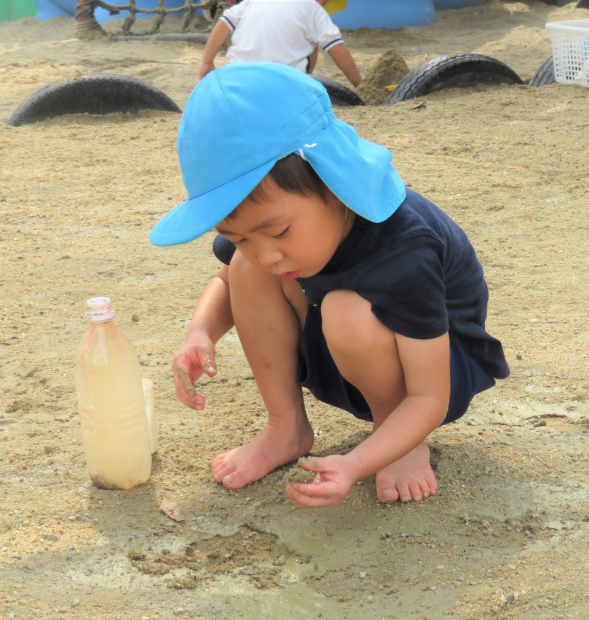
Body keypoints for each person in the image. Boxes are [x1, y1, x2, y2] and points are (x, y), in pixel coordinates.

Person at [150, 63, 508, 508]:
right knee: (244, 269)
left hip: (435, 371)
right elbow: (226, 280)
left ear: (334, 182)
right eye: (240, 236)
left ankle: (398, 438)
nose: (268, 253)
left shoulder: (404, 249)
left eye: (278, 233)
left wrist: (357, 463)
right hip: (346, 357)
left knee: (347, 309)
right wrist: (199, 333)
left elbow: (430, 396)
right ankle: (286, 427)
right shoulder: (265, 240)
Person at [199, 0, 362, 87]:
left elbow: (222, 24)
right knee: (313, 41)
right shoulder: (312, 7)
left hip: (238, 77)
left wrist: (207, 62)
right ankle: (304, 79)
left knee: (309, 39)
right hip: (283, 82)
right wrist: (359, 84)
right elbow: (337, 49)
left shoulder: (254, 1)